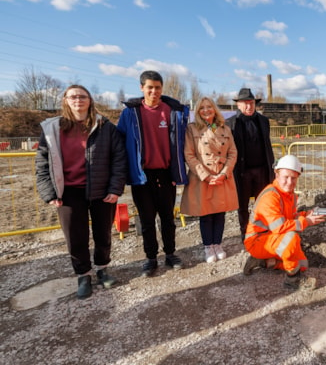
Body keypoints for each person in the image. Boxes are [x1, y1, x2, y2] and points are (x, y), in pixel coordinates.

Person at [36, 85, 127, 299]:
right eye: (73, 96)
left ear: (90, 100)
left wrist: (115, 188)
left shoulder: (105, 127)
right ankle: (83, 274)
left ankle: (102, 269)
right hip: (68, 192)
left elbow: (119, 159)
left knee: (103, 232)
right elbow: (41, 163)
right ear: (65, 100)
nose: (78, 100)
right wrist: (49, 193)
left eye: (82, 96)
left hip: (101, 189)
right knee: (75, 236)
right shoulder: (52, 129)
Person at [117, 70, 189, 277]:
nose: (154, 91)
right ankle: (150, 258)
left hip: (166, 173)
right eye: (149, 87)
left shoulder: (173, 111)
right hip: (142, 175)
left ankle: (170, 254)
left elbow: (197, 127)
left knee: (167, 218)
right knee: (147, 219)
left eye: (157, 87)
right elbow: (119, 141)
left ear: (162, 88)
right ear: (142, 88)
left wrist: (215, 124)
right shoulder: (130, 113)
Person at [242, 155, 325, 290]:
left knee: (303, 265)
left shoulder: (290, 195)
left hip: (272, 239)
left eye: (293, 178)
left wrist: (305, 214)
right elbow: (280, 227)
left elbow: (290, 217)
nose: (289, 182)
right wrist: (306, 222)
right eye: (286, 177)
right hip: (256, 241)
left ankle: (264, 262)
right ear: (277, 174)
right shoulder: (270, 196)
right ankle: (292, 280)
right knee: (291, 238)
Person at [180, 97, 238, 263]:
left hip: (222, 177)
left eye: (209, 107)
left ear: (214, 110)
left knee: (220, 213)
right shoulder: (191, 129)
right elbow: (189, 154)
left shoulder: (224, 129)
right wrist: (205, 176)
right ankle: (208, 246)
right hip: (202, 178)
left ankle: (218, 244)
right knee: (205, 213)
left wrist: (224, 173)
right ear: (198, 111)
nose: (206, 110)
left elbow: (233, 152)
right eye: (202, 108)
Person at [226, 88, 275, 241]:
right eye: (245, 103)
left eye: (251, 103)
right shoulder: (231, 123)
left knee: (263, 201)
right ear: (238, 105)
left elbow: (267, 144)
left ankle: (261, 229)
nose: (249, 106)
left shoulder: (263, 121)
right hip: (242, 171)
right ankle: (245, 232)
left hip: (262, 169)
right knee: (242, 205)